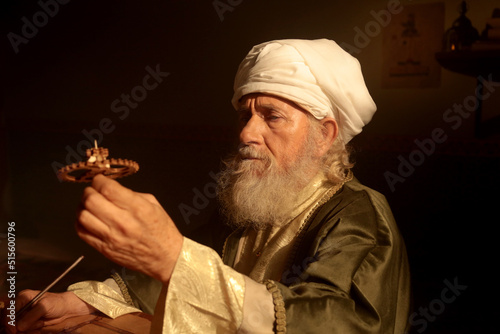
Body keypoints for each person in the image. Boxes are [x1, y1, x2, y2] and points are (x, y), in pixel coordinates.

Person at [9, 39, 411, 333]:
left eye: (271, 116)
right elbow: (173, 274)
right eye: (244, 116)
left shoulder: (360, 219)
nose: (247, 134)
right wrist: (77, 302)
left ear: (325, 135)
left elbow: (335, 322)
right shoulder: (254, 201)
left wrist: (172, 255)